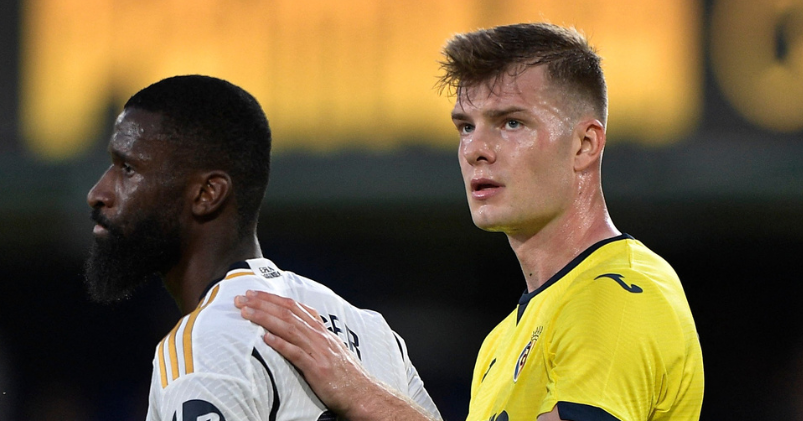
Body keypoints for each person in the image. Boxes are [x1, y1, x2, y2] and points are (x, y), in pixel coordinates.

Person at [234, 23, 705, 421]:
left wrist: (361, 395)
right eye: (466, 126)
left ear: (584, 146)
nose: (476, 149)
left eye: (511, 122)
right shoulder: (500, 344)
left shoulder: (618, 293)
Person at [84, 75, 441, 421]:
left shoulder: (205, 341)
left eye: (128, 169)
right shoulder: (373, 332)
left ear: (207, 194)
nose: (98, 192)